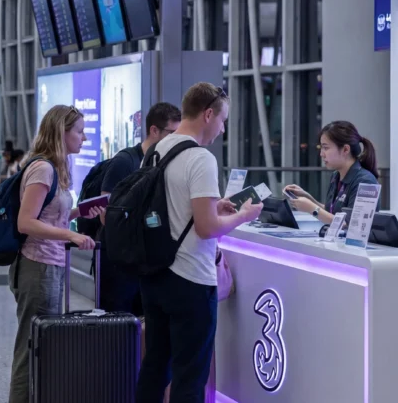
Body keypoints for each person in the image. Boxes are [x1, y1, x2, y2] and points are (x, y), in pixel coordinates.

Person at [137, 83, 263, 403]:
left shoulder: (156, 150)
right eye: (222, 121)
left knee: (155, 366)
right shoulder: (200, 158)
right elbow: (207, 229)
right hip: (191, 280)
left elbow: (178, 210)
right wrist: (243, 216)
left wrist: (215, 206)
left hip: (155, 275)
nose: (221, 130)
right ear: (208, 114)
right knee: (190, 375)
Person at [7, 105, 102, 403]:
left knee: (44, 345)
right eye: (79, 131)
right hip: (38, 267)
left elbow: (48, 216)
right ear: (61, 132)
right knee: (31, 345)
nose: (84, 138)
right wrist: (71, 234)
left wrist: (79, 212)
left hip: (49, 265)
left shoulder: (56, 167)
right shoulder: (42, 168)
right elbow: (26, 222)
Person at [95, 102, 181, 316]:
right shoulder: (125, 162)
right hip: (119, 262)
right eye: (172, 133)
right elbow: (106, 213)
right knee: (117, 328)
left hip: (144, 261)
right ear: (154, 130)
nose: (177, 139)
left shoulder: (162, 163)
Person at [283, 121, 380, 225]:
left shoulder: (365, 181)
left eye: (326, 148)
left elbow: (353, 226)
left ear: (345, 149)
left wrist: (312, 209)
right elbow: (332, 212)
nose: (321, 154)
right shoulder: (336, 176)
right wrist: (307, 197)